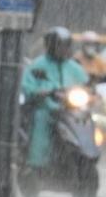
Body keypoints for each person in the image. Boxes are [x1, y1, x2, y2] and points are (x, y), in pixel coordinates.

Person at [21, 26, 89, 171]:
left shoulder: (74, 67)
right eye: (59, 45)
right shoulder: (38, 65)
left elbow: (86, 85)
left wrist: (92, 93)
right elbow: (27, 86)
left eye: (66, 45)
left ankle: (87, 153)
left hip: (70, 110)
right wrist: (41, 92)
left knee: (87, 122)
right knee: (41, 120)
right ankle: (37, 162)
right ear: (50, 45)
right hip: (45, 107)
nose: (63, 49)